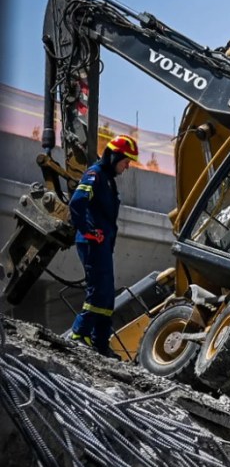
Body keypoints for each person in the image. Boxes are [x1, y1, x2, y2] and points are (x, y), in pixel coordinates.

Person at [68, 135, 139, 358]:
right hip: (92, 243)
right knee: (98, 290)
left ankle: (99, 343)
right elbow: (77, 202)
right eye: (126, 161)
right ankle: (79, 333)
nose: (127, 166)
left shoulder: (107, 179)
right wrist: (88, 230)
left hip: (103, 244)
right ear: (115, 156)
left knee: (107, 294)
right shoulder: (95, 174)